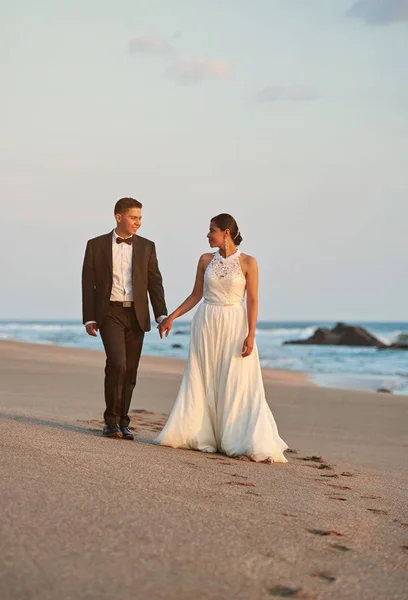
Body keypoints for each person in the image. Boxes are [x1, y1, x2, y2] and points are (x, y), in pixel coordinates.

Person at [155, 214, 287, 463]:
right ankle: (202, 435)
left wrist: (251, 334)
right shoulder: (205, 260)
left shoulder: (249, 262)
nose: (207, 235)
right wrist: (171, 317)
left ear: (225, 232)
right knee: (203, 377)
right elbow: (196, 294)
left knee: (236, 380)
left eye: (211, 230)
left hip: (235, 324)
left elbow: (253, 300)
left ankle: (235, 438)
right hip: (207, 321)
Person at [82, 197, 167, 439]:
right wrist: (89, 317)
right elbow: (88, 284)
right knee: (117, 364)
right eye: (133, 217)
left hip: (137, 314)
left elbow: (155, 283)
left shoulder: (147, 247)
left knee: (130, 370)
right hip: (109, 313)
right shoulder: (95, 245)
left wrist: (161, 314)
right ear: (119, 217)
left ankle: (123, 421)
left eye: (140, 218)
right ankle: (110, 421)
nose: (138, 222)